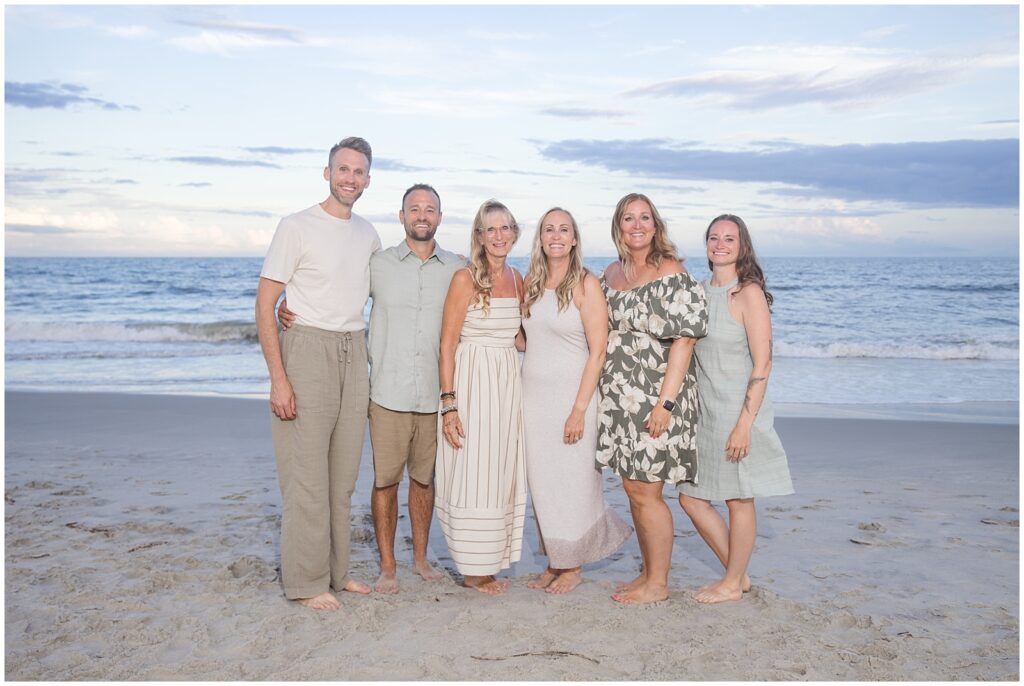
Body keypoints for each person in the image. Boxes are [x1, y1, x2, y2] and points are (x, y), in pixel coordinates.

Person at [279, 184, 463, 594]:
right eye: (414, 208)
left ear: (439, 217)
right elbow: (334, 291)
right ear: (401, 216)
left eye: (429, 209)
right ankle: (388, 566)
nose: (421, 215)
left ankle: (420, 559)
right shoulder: (377, 263)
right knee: (385, 481)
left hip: (434, 393)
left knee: (424, 481)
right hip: (386, 392)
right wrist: (290, 305)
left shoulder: (456, 268)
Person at [255, 136, 379, 611]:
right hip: (307, 350)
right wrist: (279, 378)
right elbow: (266, 303)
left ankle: (337, 573)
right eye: (343, 169)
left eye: (359, 171)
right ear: (327, 173)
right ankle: (306, 583)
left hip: (353, 349)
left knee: (342, 477)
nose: (350, 178)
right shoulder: (296, 226)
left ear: (368, 180)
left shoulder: (368, 234)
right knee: (306, 475)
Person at [597, 192, 707, 605]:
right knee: (633, 488)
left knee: (648, 492)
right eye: (629, 218)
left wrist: (666, 404)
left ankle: (658, 584)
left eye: (645, 218)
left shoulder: (671, 271)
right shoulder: (612, 272)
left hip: (656, 396)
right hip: (619, 398)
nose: (638, 225)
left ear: (656, 225)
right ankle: (647, 572)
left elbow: (685, 341)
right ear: (618, 226)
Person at [678, 214, 794, 604]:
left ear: (742, 246)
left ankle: (731, 582)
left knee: (738, 498)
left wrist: (744, 425)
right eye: (714, 237)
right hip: (704, 412)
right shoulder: (697, 291)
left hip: (739, 413)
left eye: (729, 238)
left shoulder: (748, 293)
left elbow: (763, 364)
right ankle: (737, 574)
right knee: (691, 498)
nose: (721, 244)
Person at [520, 207, 631, 594]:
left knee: (575, 480)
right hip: (533, 399)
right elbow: (526, 339)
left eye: (563, 229)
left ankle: (573, 566)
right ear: (540, 238)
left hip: (574, 398)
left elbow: (598, 351)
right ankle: (556, 559)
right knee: (544, 483)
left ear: (574, 239)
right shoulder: (532, 283)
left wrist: (579, 410)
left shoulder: (586, 284)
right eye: (548, 229)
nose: (555, 236)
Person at [435, 199, 527, 596]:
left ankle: (488, 562)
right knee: (472, 473)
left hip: (507, 384)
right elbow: (446, 344)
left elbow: (520, 339)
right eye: (490, 228)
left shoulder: (519, 279)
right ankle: (473, 570)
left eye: (505, 227)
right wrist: (449, 404)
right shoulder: (464, 278)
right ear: (479, 235)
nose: (498, 235)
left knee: (499, 472)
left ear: (515, 233)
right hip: (472, 381)